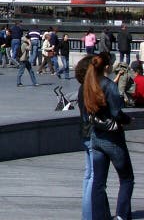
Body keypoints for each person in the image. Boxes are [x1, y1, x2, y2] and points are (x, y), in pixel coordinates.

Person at [82, 52, 134, 220]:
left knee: (99, 181)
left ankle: (98, 217)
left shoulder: (87, 84)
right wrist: (128, 120)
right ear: (106, 67)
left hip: (96, 136)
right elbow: (117, 113)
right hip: (112, 139)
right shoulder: (109, 85)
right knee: (126, 178)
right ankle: (121, 216)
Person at [74, 55, 99, 220]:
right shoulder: (89, 88)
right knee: (94, 176)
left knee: (88, 174)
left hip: (84, 132)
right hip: (92, 134)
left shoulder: (81, 88)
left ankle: (87, 213)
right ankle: (89, 215)